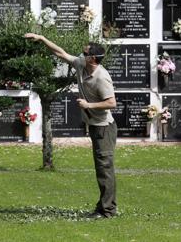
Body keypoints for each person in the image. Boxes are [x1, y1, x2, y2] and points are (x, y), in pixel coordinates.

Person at [24, 33, 117, 219]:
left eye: (84, 53)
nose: (80, 54)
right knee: (101, 168)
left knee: (104, 168)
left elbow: (112, 102)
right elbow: (61, 53)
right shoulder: (82, 64)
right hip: (95, 125)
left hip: (104, 127)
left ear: (92, 58)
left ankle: (108, 210)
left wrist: (89, 105)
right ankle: (104, 207)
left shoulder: (101, 78)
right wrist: (42, 38)